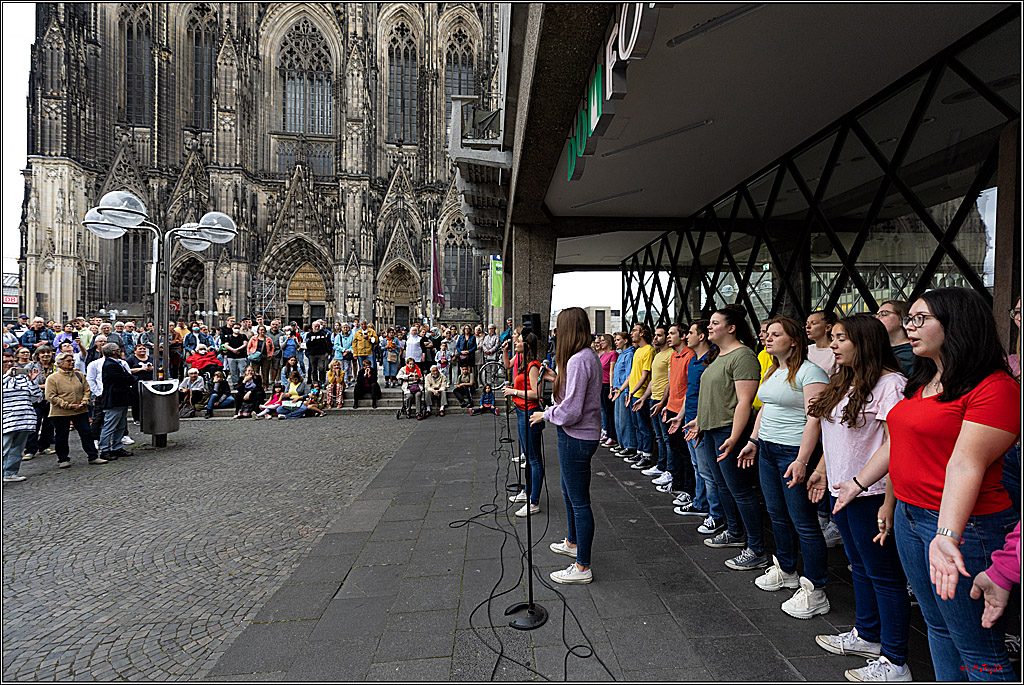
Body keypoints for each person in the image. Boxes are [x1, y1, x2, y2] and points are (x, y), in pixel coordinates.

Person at [833, 287, 1020, 682]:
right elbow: (899, 441)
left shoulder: (994, 387)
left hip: (966, 528)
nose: (908, 327)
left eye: (920, 320)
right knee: (937, 627)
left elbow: (966, 463)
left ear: (956, 325)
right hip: (912, 517)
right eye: (909, 319)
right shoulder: (924, 380)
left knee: (978, 648)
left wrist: (947, 533)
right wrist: (857, 482)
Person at [804, 314, 912, 681]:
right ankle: (867, 635)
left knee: (884, 575)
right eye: (832, 337)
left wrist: (888, 502)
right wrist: (820, 470)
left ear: (864, 342)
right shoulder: (845, 379)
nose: (832, 344)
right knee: (859, 566)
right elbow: (834, 437)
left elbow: (899, 446)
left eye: (840, 338)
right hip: (842, 491)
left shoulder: (891, 384)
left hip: (872, 493)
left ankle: (895, 659)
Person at [737, 317, 830, 615]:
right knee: (776, 514)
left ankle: (816, 590)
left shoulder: (810, 372)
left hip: (793, 452)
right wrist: (753, 439)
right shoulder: (774, 370)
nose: (768, 338)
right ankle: (787, 570)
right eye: (768, 333)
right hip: (767, 449)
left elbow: (815, 420)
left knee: (803, 520)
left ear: (793, 340)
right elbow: (766, 407)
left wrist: (803, 460)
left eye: (776, 334)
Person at [682, 305, 763, 564]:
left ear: (731, 328)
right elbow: (715, 397)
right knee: (722, 487)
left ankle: (756, 548)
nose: (709, 327)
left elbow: (744, 402)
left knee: (740, 490)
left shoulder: (744, 356)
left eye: (715, 323)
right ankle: (736, 532)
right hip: (711, 430)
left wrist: (736, 437)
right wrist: (698, 421)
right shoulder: (718, 355)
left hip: (729, 432)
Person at [530, 307, 602, 585]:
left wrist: (545, 414)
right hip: (579, 435)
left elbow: (571, 410)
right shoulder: (583, 357)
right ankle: (573, 543)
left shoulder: (578, 360)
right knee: (570, 493)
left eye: (559, 327)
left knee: (579, 501)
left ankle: (583, 566)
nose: (556, 333)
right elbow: (574, 392)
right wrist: (553, 378)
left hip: (577, 436)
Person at [503, 331, 545, 516]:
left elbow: (536, 393)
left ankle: (534, 501)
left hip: (530, 412)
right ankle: (527, 491)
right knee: (528, 456)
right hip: (521, 412)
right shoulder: (522, 363)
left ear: (526, 345)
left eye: (519, 341)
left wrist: (514, 392)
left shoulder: (533, 366)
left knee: (534, 458)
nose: (516, 342)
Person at [45, 351, 101, 468]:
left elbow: (86, 390)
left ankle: (93, 456)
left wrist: (84, 401)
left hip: (80, 410)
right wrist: (68, 405)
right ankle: (63, 459)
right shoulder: (52, 378)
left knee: (86, 433)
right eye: (68, 361)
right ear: (60, 364)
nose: (72, 363)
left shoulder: (79, 375)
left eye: (72, 361)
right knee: (61, 435)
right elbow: (51, 396)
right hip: (60, 412)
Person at [635, 326, 674, 487]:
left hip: (661, 401)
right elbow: (653, 380)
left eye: (659, 335)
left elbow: (670, 381)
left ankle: (668, 470)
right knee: (660, 437)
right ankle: (661, 465)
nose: (655, 338)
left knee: (666, 438)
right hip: (653, 399)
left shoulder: (670, 354)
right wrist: (644, 398)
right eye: (655, 335)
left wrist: (662, 401)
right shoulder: (658, 355)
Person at [613, 323, 655, 469]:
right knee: (637, 425)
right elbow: (631, 375)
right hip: (633, 393)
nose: (631, 333)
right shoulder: (638, 351)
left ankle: (647, 455)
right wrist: (622, 390)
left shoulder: (648, 350)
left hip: (641, 393)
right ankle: (640, 451)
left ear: (642, 333)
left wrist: (632, 391)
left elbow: (645, 375)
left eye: (634, 331)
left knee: (643, 426)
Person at [3, 351, 45, 482]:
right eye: (5, 361)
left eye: (11, 361)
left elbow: (36, 397)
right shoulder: (5, 379)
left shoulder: (22, 378)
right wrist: (7, 376)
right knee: (3, 449)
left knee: (17, 448)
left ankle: (10, 473)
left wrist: (32, 382)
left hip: (24, 418)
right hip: (6, 420)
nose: (9, 364)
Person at [98, 343, 136, 462]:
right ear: (114, 351)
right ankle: (104, 449)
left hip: (121, 398)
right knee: (110, 425)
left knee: (121, 425)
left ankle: (117, 447)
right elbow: (124, 378)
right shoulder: (110, 365)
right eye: (118, 350)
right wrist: (132, 378)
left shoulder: (115, 363)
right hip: (114, 399)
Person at [609, 332, 637, 460]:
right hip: (617, 389)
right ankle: (622, 443)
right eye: (615, 340)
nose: (616, 342)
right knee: (618, 420)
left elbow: (628, 375)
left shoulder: (629, 354)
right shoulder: (621, 354)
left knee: (625, 420)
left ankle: (629, 445)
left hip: (623, 390)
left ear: (626, 341)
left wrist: (625, 392)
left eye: (618, 340)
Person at [875, 300, 915, 377]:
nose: (877, 318)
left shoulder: (914, 351)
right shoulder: (878, 350)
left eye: (883, 313)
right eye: (876, 315)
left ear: (902, 319)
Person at [598, 334, 619, 448]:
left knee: (610, 411)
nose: (601, 343)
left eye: (602, 341)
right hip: (602, 384)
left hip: (607, 385)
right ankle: (607, 432)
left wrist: (611, 388)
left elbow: (612, 371)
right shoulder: (603, 355)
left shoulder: (613, 354)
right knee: (605, 410)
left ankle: (612, 435)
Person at [805, 310, 839, 376]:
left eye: (813, 323)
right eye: (807, 323)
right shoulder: (806, 350)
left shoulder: (837, 351)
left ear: (828, 327)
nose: (807, 326)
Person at [305, 320, 332, 385]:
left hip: (321, 353)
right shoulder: (309, 334)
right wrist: (317, 341)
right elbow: (308, 344)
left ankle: (322, 381)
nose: (317, 328)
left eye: (318, 326)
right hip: (312, 353)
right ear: (312, 327)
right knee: (313, 369)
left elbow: (325, 343)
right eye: (315, 326)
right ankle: (315, 381)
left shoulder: (323, 333)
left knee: (322, 368)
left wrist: (328, 351)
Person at [223, 323, 249, 389]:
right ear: (232, 328)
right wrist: (233, 350)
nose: (236, 329)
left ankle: (244, 382)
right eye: (235, 328)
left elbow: (245, 344)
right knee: (233, 371)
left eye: (238, 328)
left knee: (243, 370)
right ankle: (235, 384)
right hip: (231, 356)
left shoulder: (243, 336)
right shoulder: (229, 337)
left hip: (241, 356)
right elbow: (226, 345)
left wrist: (237, 349)